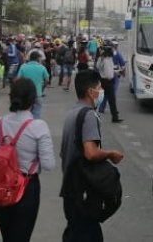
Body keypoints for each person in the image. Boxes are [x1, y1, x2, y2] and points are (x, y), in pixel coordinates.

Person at [0, 78, 55, 241]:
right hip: (26, 187)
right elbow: (48, 164)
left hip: (0, 187)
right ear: (33, 100)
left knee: (6, 233)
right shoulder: (39, 126)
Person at [60, 69, 124, 242]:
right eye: (99, 87)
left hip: (70, 188)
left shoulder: (71, 114)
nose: (101, 91)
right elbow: (90, 152)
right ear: (90, 91)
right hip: (83, 191)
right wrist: (111, 154)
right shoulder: (88, 115)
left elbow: (63, 153)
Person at [18, 51, 50, 119]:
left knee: (25, 114)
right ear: (38, 58)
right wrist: (43, 87)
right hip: (38, 94)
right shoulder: (42, 67)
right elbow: (47, 80)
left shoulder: (23, 67)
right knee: (37, 113)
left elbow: (18, 79)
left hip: (26, 95)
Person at [94, 46, 122, 123]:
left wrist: (117, 72)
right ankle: (93, 116)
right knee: (99, 99)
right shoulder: (101, 59)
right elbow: (97, 67)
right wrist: (101, 59)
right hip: (103, 81)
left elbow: (111, 68)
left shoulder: (110, 59)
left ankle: (115, 117)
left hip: (110, 81)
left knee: (112, 100)